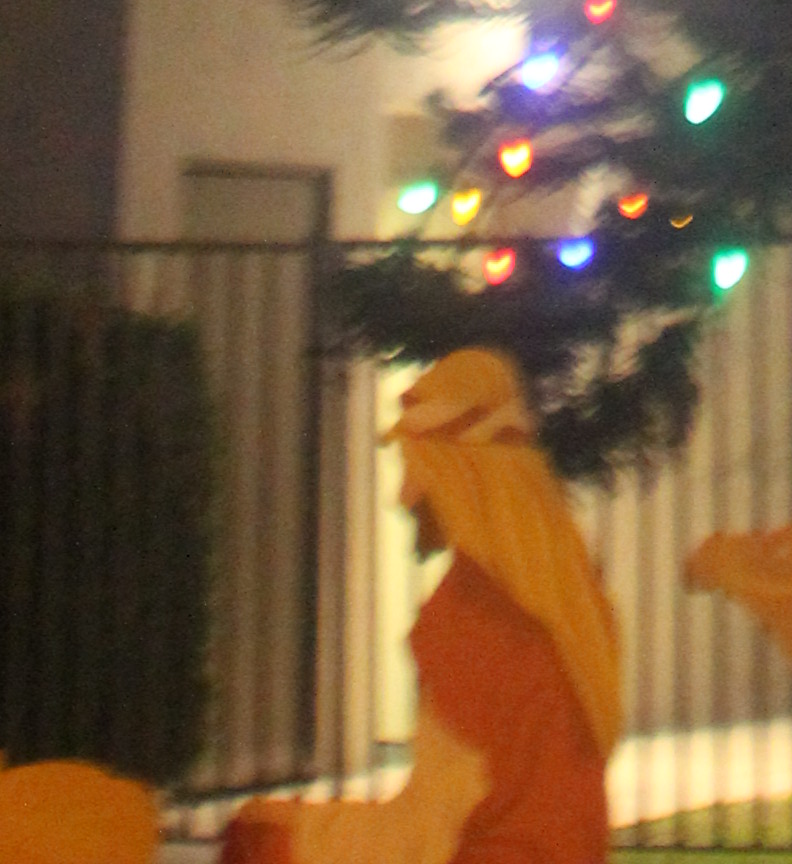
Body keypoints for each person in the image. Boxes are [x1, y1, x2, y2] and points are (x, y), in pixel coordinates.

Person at [225, 358, 615, 864]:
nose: (402, 496)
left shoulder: (471, 615)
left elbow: (431, 833)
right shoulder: (570, 601)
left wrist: (294, 834)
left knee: (258, 840)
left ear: (455, 473)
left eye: (413, 467)